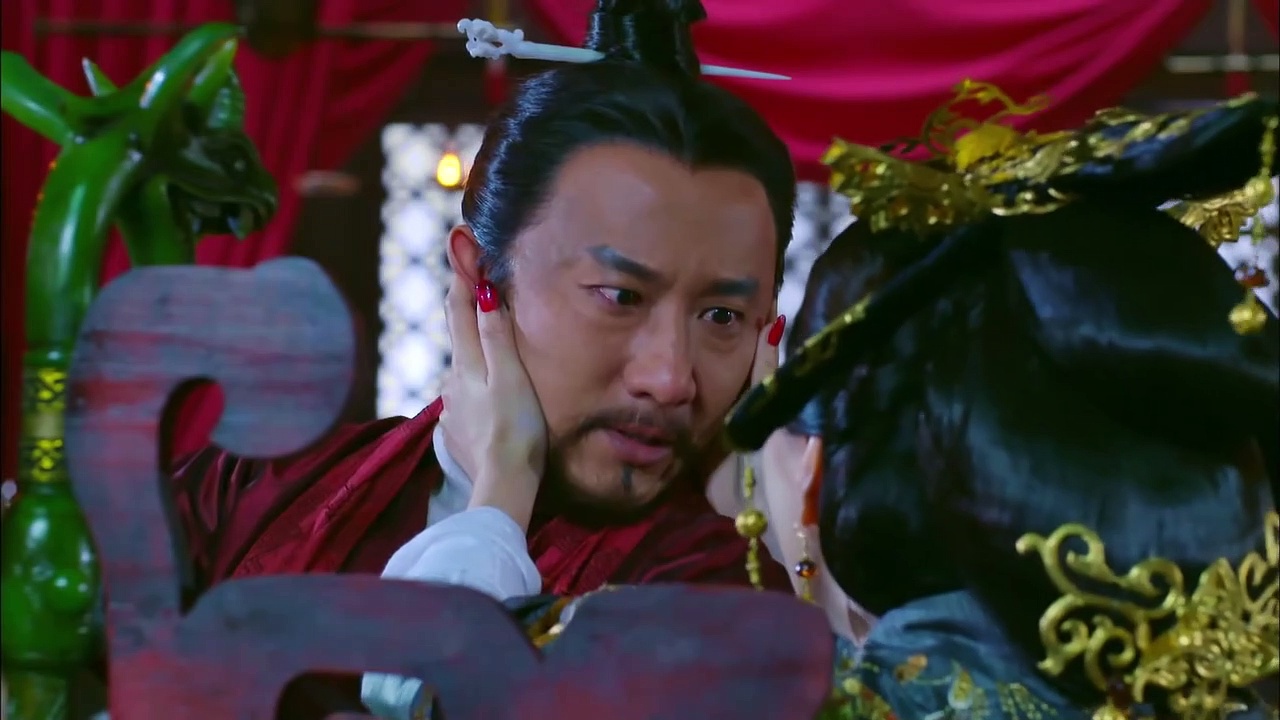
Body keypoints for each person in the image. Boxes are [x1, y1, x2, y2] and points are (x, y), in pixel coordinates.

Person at [508, 91, 1280, 719]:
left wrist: (492, 512)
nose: (669, 377)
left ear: (815, 475)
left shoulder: (686, 687)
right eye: (620, 296)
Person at [168, 1, 796, 717]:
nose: (670, 379)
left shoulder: (726, 603)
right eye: (620, 297)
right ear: (480, 277)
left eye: (722, 317)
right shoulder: (248, 493)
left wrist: (499, 496)